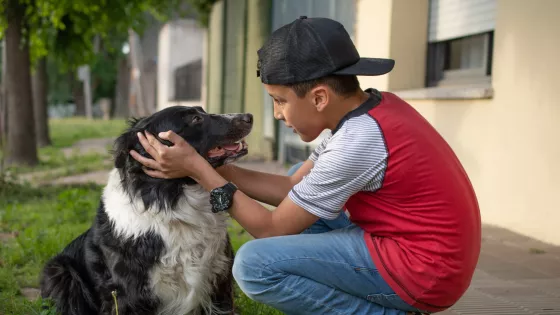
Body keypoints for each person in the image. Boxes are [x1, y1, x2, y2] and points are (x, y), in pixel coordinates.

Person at [129, 16, 481, 315]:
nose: (278, 114)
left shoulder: (358, 140)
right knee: (304, 212)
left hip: (425, 271)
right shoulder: (366, 113)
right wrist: (215, 165)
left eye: (279, 101)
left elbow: (270, 229)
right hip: (414, 251)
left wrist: (199, 171)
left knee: (254, 266)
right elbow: (291, 190)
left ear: (319, 98)